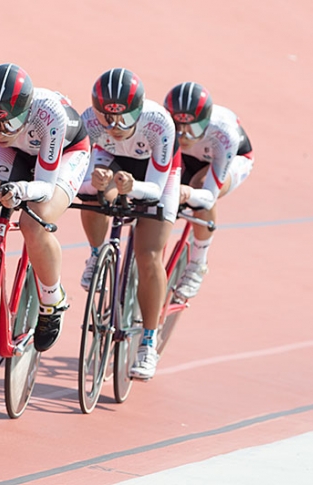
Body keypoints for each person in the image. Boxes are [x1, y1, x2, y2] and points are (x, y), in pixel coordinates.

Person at [0, 63, 91, 352]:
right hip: (15, 149)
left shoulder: (49, 113)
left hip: (66, 153)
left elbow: (45, 185)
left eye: (6, 122)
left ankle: (51, 299)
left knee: (35, 221)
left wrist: (20, 190)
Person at [78, 68, 181, 379]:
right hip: (112, 162)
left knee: (149, 255)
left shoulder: (159, 122)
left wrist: (131, 187)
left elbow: (155, 188)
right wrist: (94, 181)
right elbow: (75, 181)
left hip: (154, 174)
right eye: (107, 119)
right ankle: (97, 254)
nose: (115, 126)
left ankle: (148, 341)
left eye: (124, 118)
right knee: (94, 195)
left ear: (139, 109)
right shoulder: (89, 122)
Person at [163, 82, 254, 300]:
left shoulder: (224, 132)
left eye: (192, 129)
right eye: (178, 128)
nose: (184, 136)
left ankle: (198, 262)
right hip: (188, 158)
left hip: (229, 159)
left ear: (206, 122)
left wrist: (190, 195)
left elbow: (208, 195)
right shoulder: (161, 122)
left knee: (200, 188)